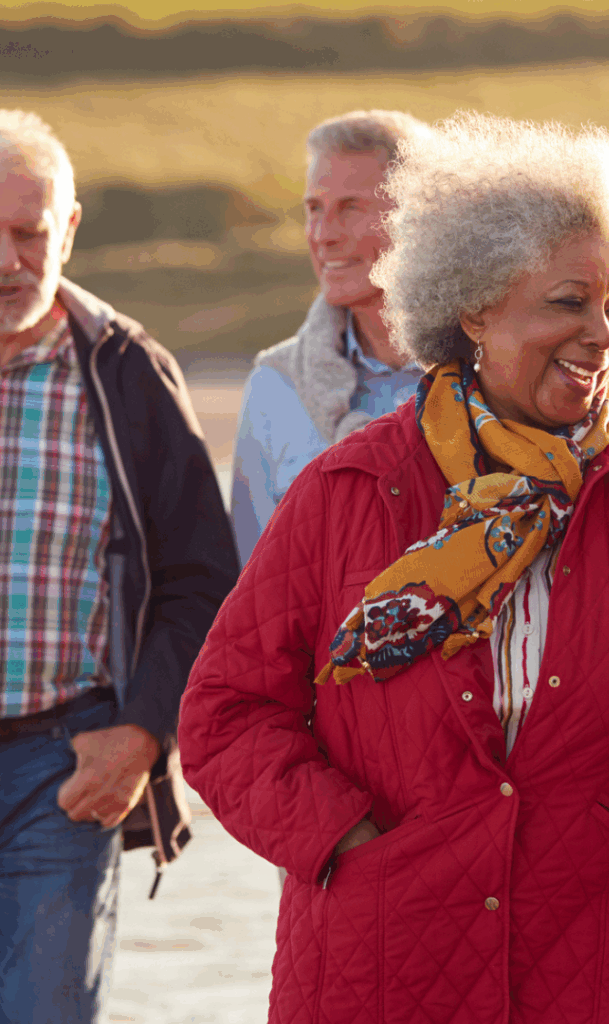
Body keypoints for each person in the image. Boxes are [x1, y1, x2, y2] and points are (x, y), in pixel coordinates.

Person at [180, 113, 609, 1023]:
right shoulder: (348, 488)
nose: (604, 335)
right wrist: (340, 837)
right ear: (473, 307)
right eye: (568, 303)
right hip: (387, 950)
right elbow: (226, 713)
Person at [0, 109, 238, 1023]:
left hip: (62, 774)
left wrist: (142, 734)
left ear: (68, 228)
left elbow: (199, 580)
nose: (9, 260)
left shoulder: (127, 369)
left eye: (29, 232)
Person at [230, 109, 431, 564]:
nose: (322, 235)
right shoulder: (275, 387)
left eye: (351, 208)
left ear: (421, 219)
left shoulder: (503, 375)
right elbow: (251, 593)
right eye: (314, 209)